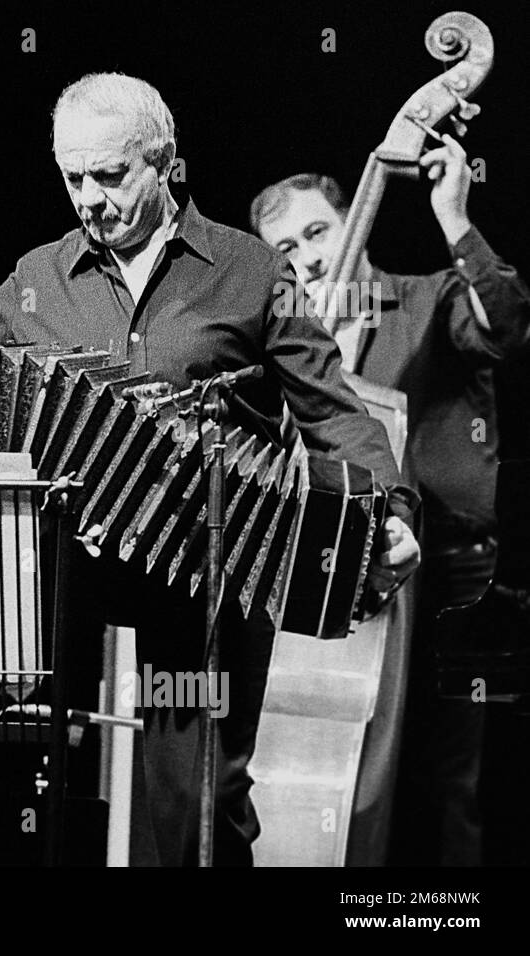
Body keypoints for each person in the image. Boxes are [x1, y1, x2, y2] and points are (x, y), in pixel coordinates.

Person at [0, 72, 421, 865]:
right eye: (73, 177)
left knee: (197, 799)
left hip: (211, 571)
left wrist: (392, 512)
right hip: (68, 562)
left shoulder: (250, 272)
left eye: (110, 175)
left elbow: (331, 409)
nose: (90, 198)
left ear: (166, 162)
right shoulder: (38, 279)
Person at [251, 147, 530, 865]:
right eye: (285, 247)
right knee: (347, 787)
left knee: (443, 793)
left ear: (357, 223)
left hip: (449, 579)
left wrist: (454, 216)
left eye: (318, 233)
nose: (308, 257)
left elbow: (507, 327)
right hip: (357, 584)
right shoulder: (288, 347)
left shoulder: (426, 298)